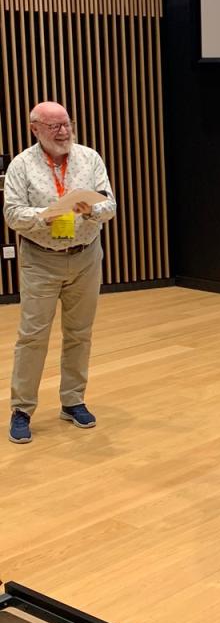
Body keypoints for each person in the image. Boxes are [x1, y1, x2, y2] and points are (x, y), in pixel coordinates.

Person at [3, 101, 116, 444]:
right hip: (40, 259)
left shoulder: (89, 157)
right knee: (32, 336)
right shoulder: (21, 165)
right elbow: (12, 213)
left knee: (79, 332)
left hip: (85, 255)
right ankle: (22, 409)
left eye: (66, 124)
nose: (64, 132)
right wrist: (46, 215)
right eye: (54, 127)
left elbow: (110, 205)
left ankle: (73, 400)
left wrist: (92, 209)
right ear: (34, 128)